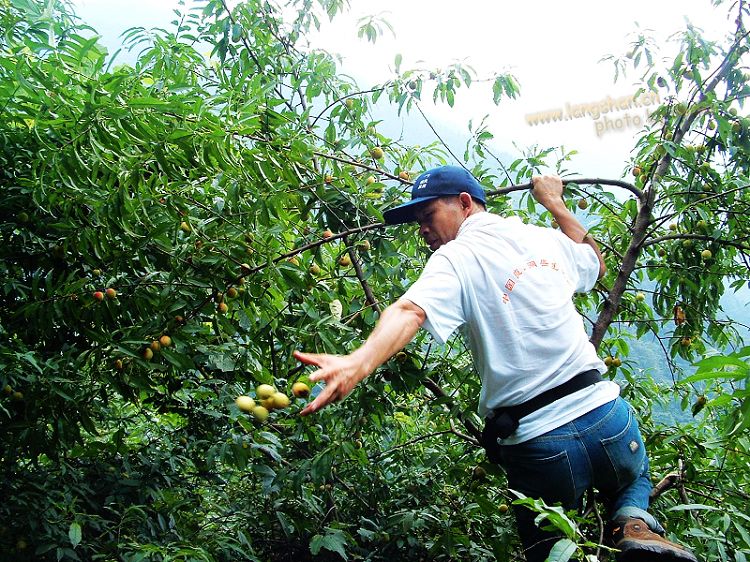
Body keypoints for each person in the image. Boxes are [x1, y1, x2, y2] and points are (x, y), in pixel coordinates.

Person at [294, 165, 698, 562]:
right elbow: (594, 262)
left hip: (541, 445)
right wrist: (555, 203)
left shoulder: (457, 256)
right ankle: (633, 519)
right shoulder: (541, 237)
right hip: (608, 417)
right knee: (633, 480)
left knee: (547, 550)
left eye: (428, 215)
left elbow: (411, 311)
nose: (422, 229)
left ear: (465, 203)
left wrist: (359, 361)